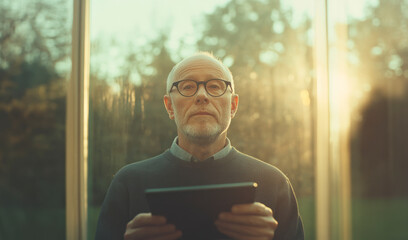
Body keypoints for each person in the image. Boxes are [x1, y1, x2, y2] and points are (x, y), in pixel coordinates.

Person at [95, 52, 304, 240]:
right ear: (169, 106)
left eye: (214, 86)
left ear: (232, 106)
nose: (201, 96)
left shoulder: (275, 184)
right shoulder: (128, 184)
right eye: (187, 87)